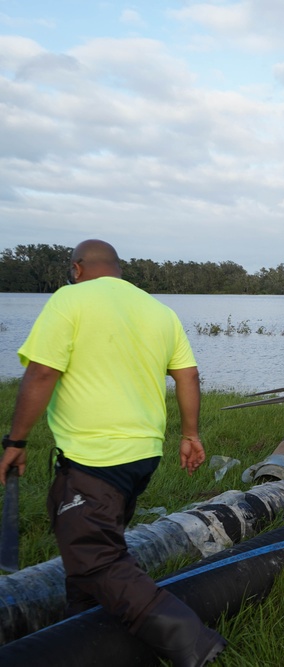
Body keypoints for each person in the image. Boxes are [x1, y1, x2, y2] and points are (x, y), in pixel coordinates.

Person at [0, 239, 226, 667]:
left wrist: (16, 441)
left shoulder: (70, 298)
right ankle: (84, 634)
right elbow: (188, 374)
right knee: (92, 546)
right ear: (118, 269)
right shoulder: (159, 311)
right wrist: (191, 434)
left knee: (94, 558)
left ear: (78, 267)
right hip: (142, 454)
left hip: (94, 456)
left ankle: (193, 643)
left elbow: (44, 370)